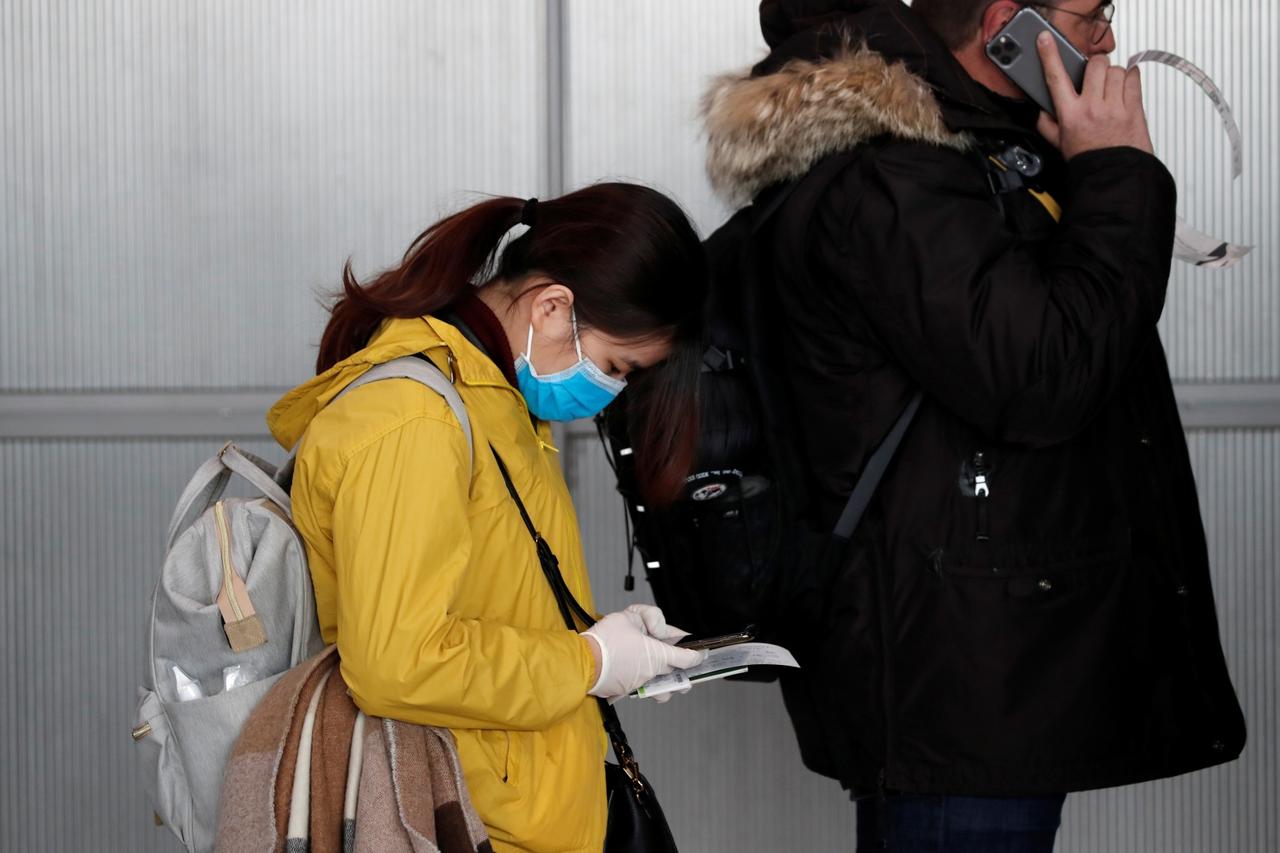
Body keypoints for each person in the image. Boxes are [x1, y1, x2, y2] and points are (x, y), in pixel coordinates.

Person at [701, 1, 1246, 849]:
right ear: (1007, 23)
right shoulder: (895, 178)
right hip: (959, 673)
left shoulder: (962, 158)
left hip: (982, 654)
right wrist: (1116, 171)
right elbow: (1044, 375)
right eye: (1092, 15)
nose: (1107, 38)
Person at [266, 183, 709, 853]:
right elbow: (397, 660)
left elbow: (494, 602)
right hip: (459, 824)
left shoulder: (496, 403)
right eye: (618, 367)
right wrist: (589, 661)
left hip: (518, 817)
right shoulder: (413, 420)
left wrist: (606, 640)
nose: (610, 391)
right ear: (553, 305)